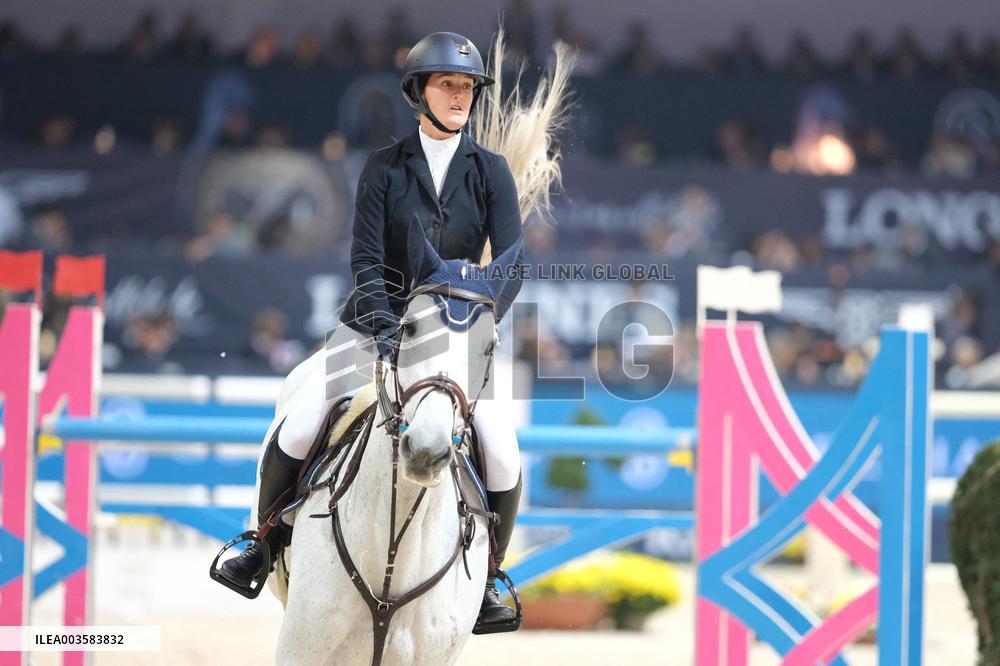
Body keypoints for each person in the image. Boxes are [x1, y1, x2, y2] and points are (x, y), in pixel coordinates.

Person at [215, 31, 568, 633]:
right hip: (373, 325)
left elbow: (513, 265)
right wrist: (387, 334)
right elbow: (366, 260)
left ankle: (491, 578)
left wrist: (474, 329)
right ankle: (264, 542)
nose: (460, 97)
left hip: (455, 336)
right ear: (419, 92)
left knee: (503, 452)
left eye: (467, 88)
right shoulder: (384, 168)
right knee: (305, 416)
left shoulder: (491, 172)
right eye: (448, 85)